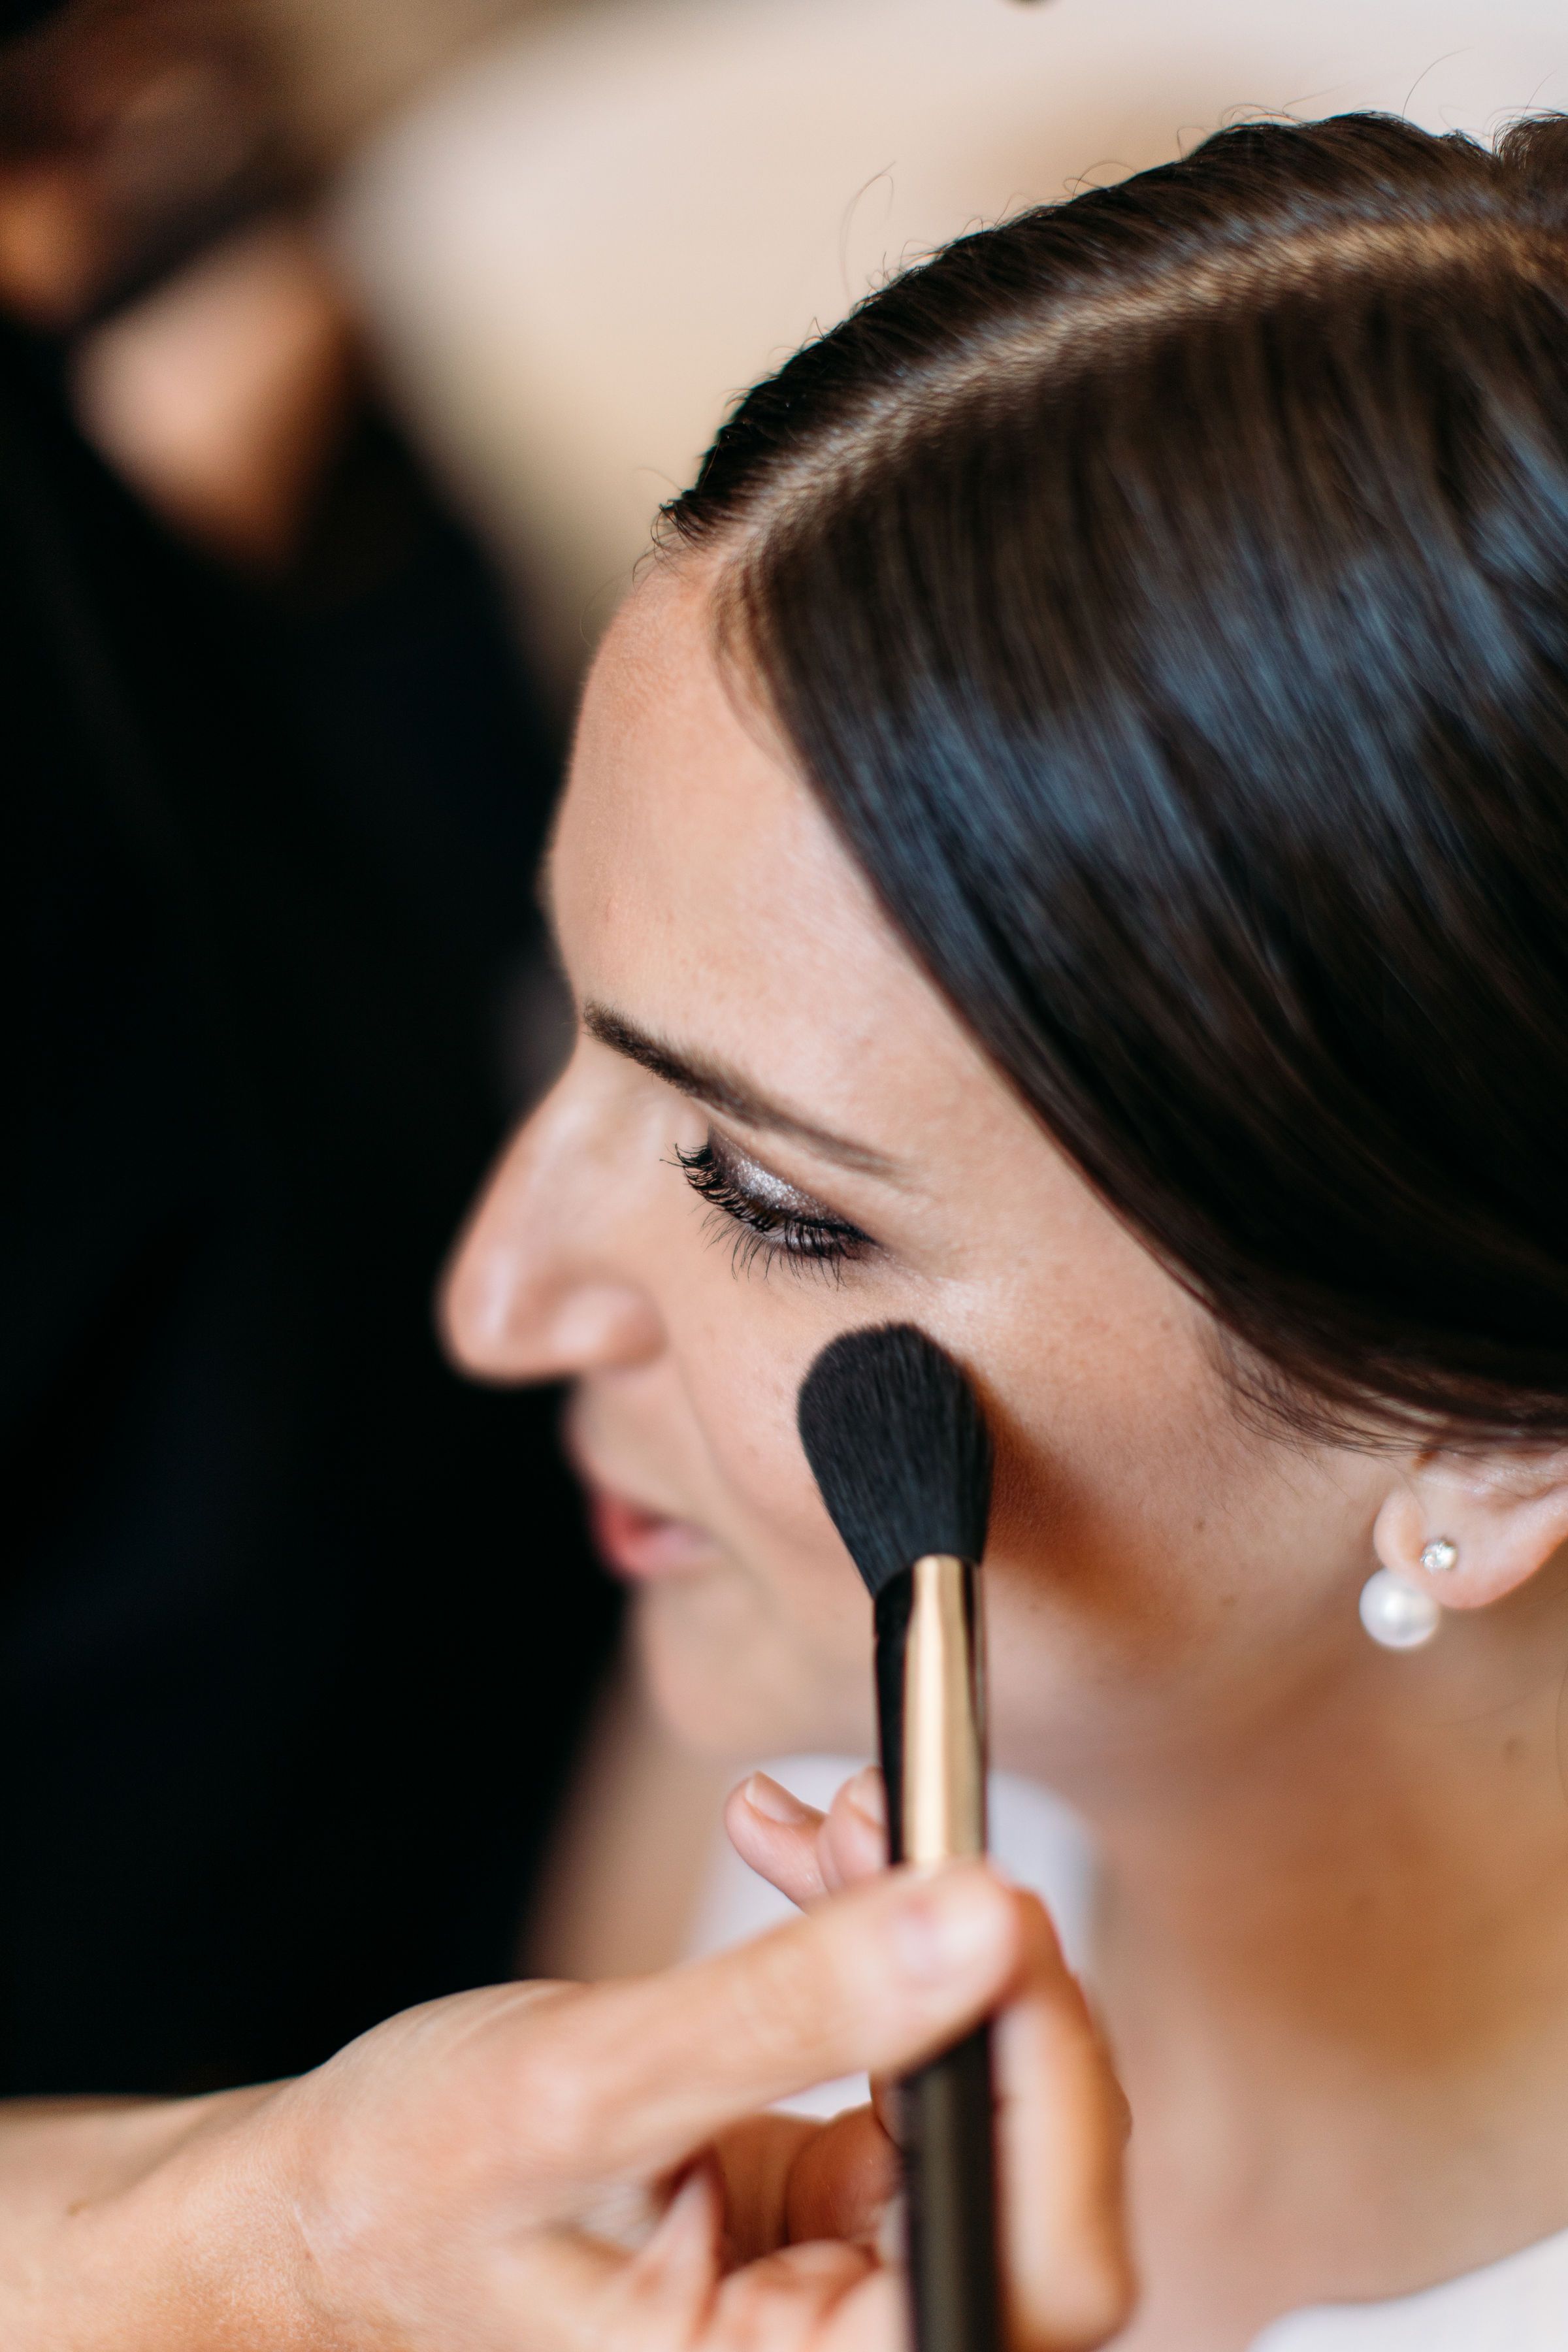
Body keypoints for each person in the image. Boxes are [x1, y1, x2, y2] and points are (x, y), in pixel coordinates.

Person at [9, 104, 1568, 2351]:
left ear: (1494, 1445)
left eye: (764, 1198)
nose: (497, 1300)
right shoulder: (816, 1710)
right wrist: (259, 2245)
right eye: (571, 1032)